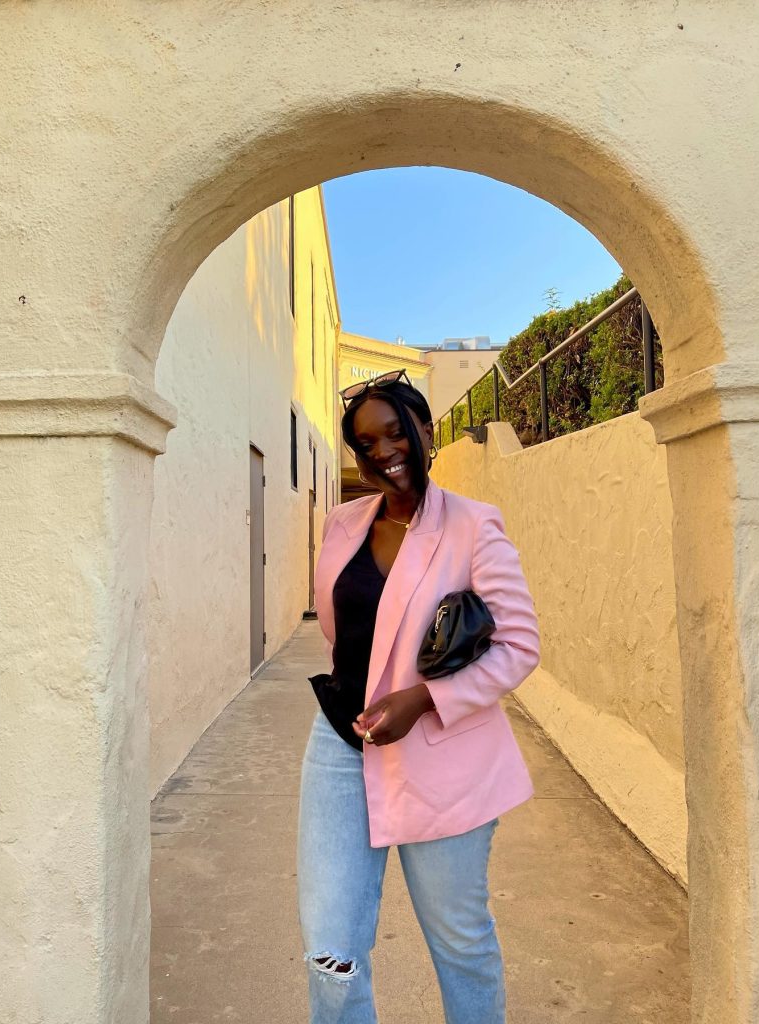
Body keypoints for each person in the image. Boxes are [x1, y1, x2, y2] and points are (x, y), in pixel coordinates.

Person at [298, 370, 540, 1024]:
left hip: (441, 757)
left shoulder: (472, 526)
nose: (382, 451)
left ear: (424, 430)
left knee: (458, 941)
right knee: (329, 949)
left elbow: (518, 645)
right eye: (364, 442)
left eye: (393, 432)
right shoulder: (342, 524)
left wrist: (423, 699)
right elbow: (343, 633)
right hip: (339, 744)